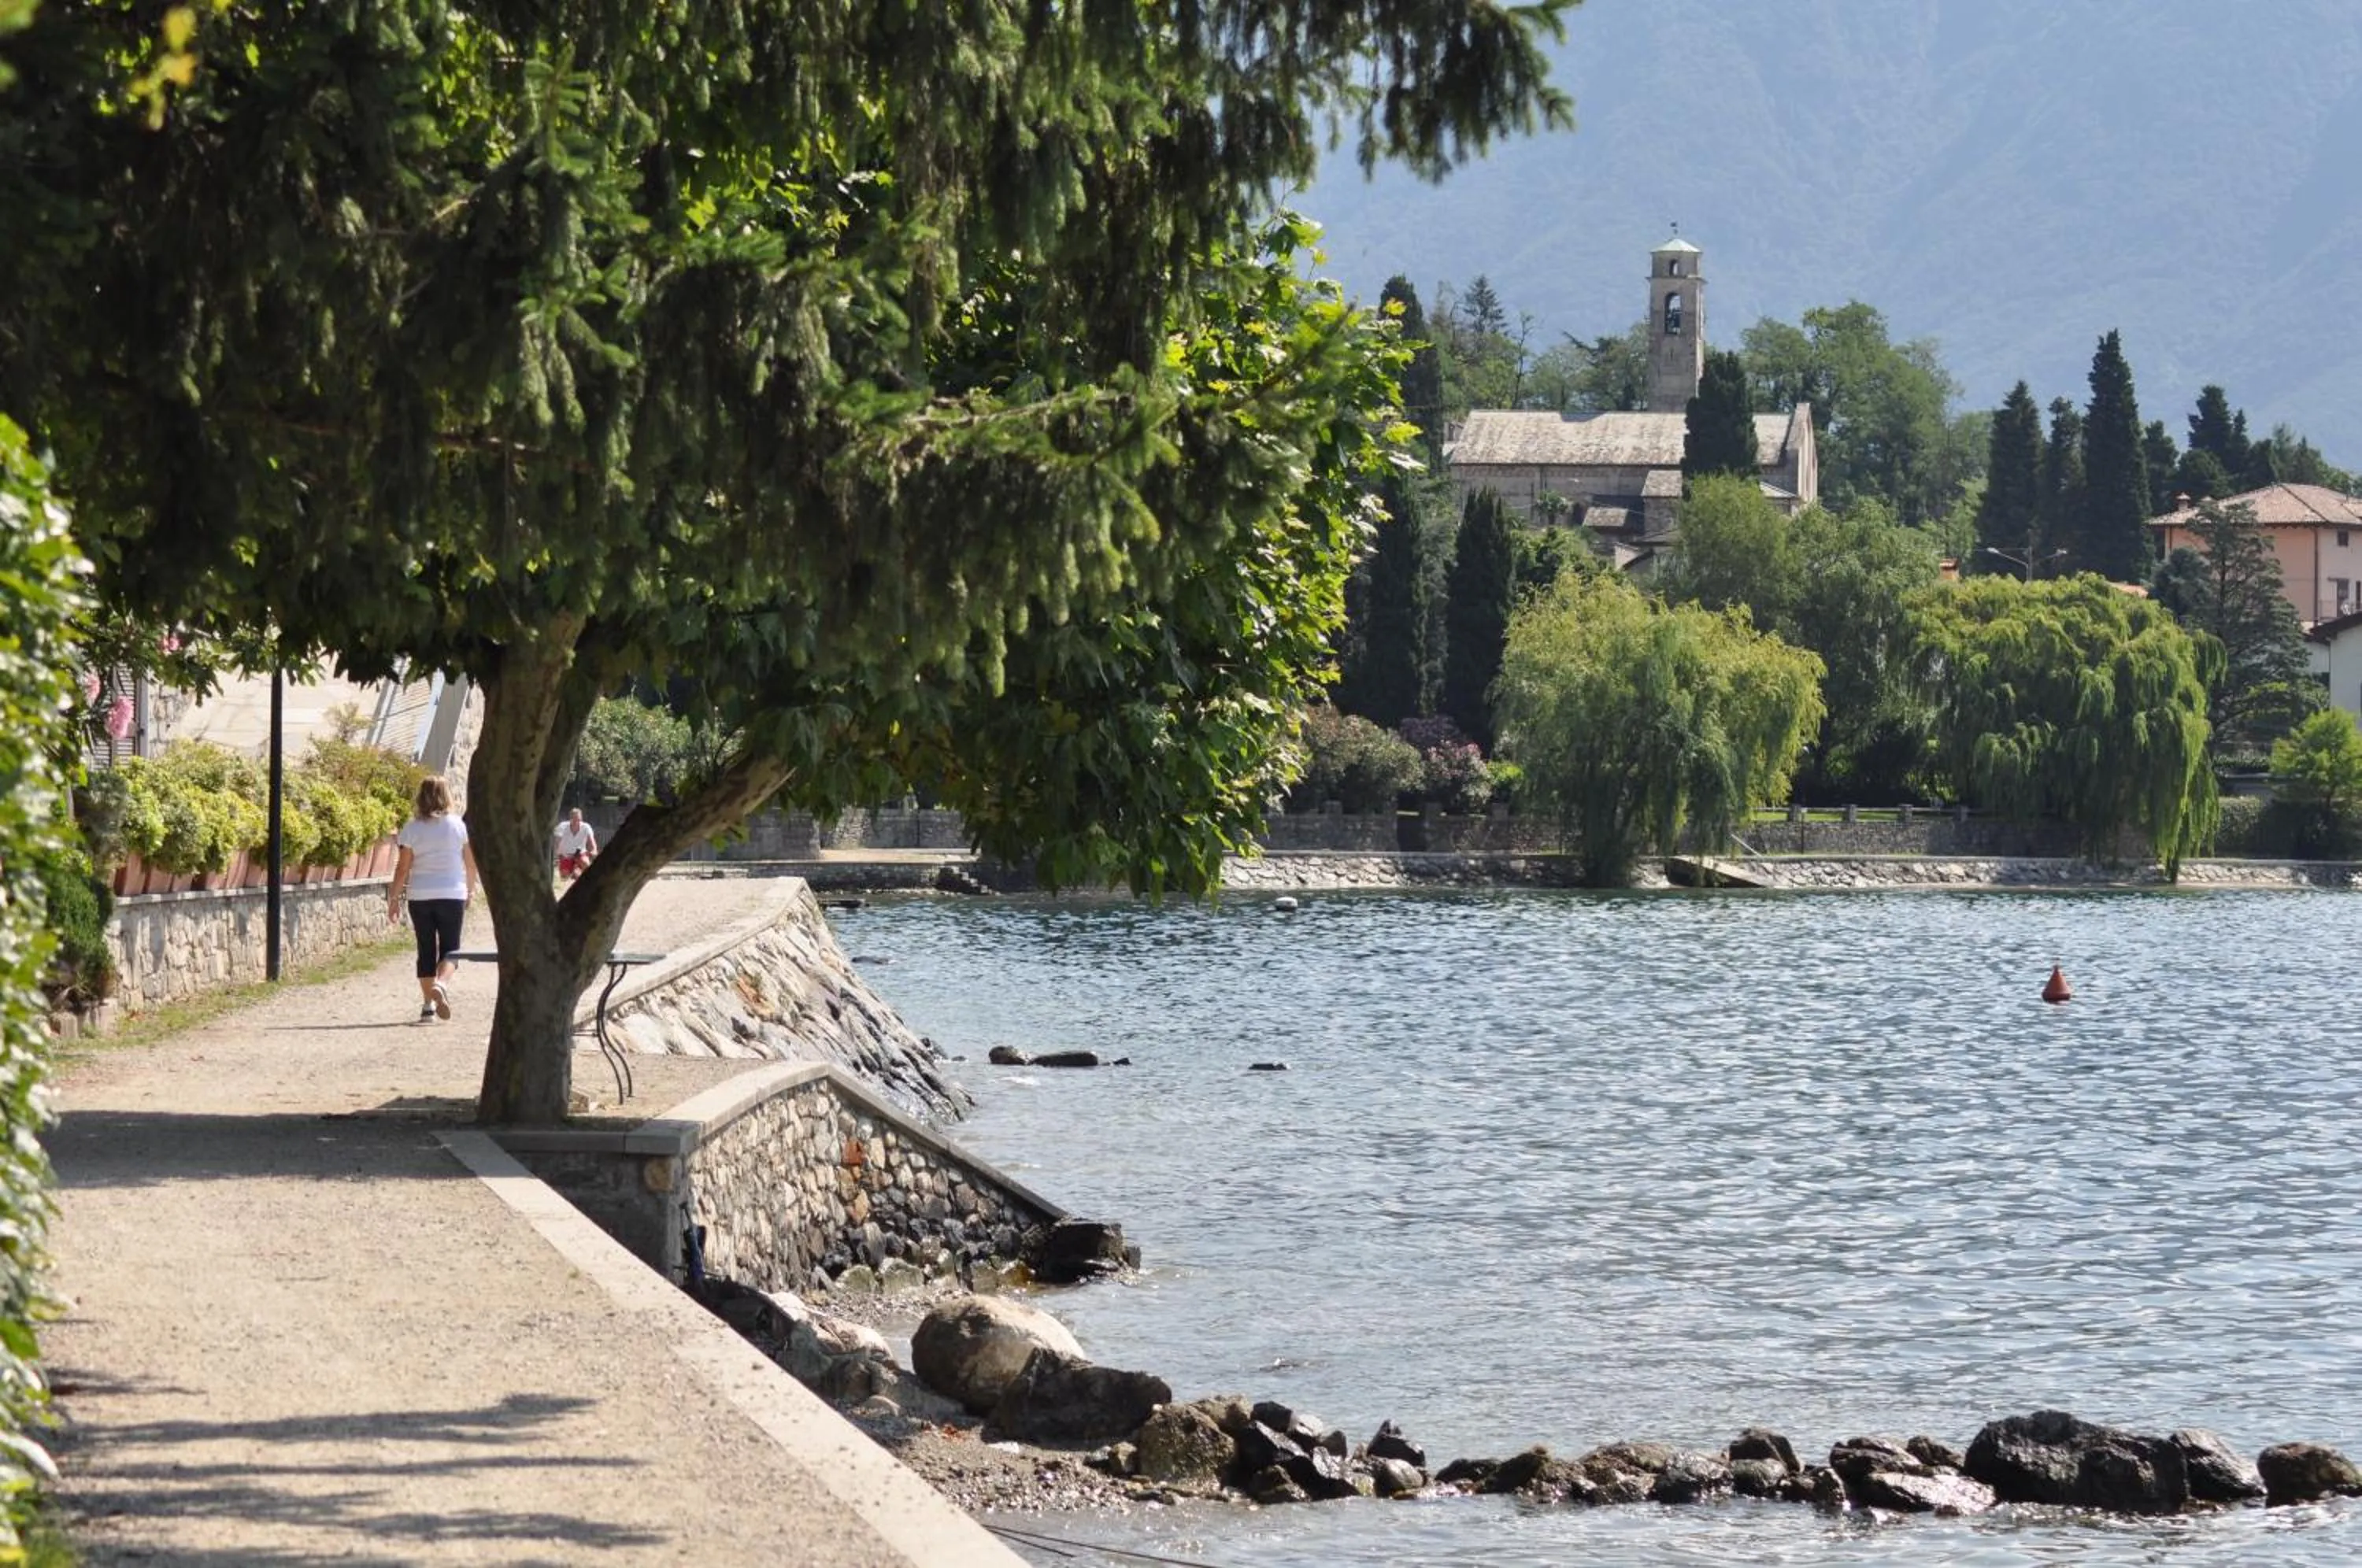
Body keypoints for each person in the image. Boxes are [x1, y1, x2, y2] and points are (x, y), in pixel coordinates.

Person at [387, 775, 477, 1023]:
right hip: (452, 894)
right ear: (446, 795)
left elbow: (402, 869)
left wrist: (394, 900)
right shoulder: (459, 826)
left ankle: (428, 1007)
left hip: (420, 896)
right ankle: (441, 984)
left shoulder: (412, 828)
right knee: (451, 949)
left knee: (425, 949)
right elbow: (470, 865)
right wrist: (469, 891)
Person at [553, 808, 598, 880]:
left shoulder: (586, 827)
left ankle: (581, 873)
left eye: (579, 819)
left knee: (585, 863)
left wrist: (594, 850)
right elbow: (557, 842)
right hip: (566, 856)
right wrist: (560, 855)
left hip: (580, 855)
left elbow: (592, 841)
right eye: (574, 819)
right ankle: (573, 872)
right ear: (570, 818)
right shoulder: (562, 826)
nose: (577, 822)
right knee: (564, 878)